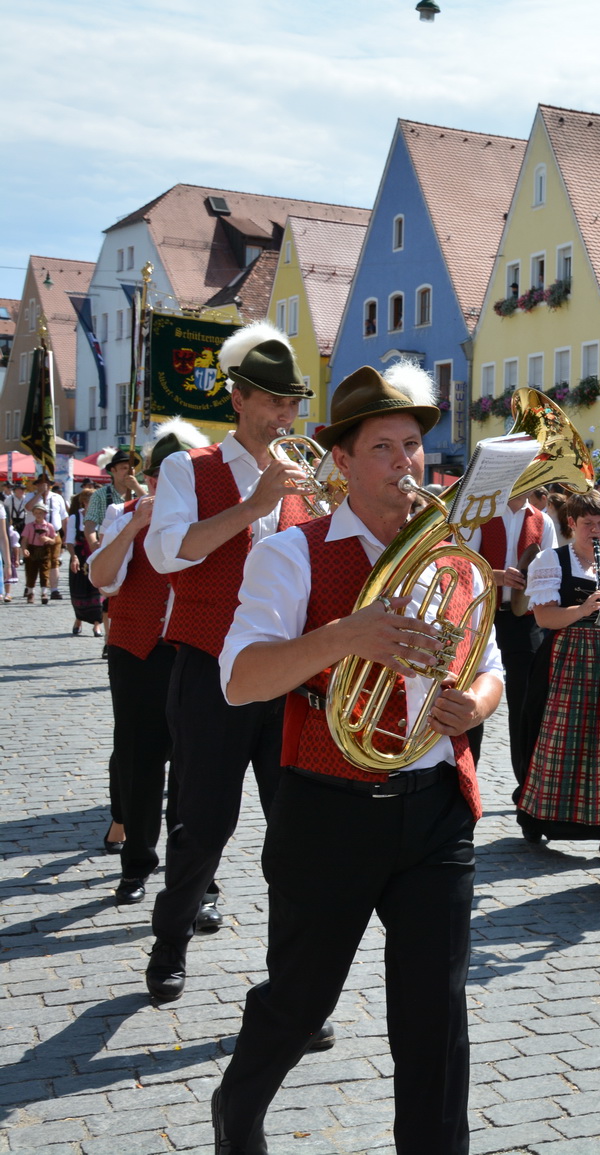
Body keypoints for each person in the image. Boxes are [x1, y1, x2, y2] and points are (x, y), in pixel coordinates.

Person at [212, 364, 503, 1154]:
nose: (407, 462)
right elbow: (239, 680)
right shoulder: (293, 554)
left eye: (413, 444)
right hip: (328, 807)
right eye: (383, 447)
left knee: (435, 1013)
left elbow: (490, 663)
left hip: (437, 806)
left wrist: (472, 705)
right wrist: (344, 634)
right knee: (302, 1001)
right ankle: (238, 1106)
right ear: (342, 461)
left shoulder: (449, 556)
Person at [139, 320, 316, 1002]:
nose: (286, 415)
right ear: (238, 399)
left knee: (296, 835)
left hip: (286, 677)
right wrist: (254, 505)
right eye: (274, 401)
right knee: (202, 824)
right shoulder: (190, 468)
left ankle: (293, 984)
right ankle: (170, 941)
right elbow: (166, 553)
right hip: (209, 673)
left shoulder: (302, 482)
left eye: (293, 402)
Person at [89, 423, 203, 905]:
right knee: (139, 763)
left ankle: (196, 877)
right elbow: (102, 579)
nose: (162, 487)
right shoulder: (123, 513)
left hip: (194, 654)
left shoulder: (213, 521)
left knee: (195, 771)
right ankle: (136, 864)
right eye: (158, 478)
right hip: (136, 654)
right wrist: (135, 526)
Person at [518, 488, 600, 849]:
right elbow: (545, 617)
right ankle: (539, 816)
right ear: (572, 524)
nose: (595, 531)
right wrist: (582, 609)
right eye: (587, 524)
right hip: (568, 655)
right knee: (558, 738)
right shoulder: (552, 560)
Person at [460, 455, 557, 814]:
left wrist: (539, 579)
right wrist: (497, 576)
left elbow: (548, 565)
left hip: (523, 620)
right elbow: (459, 561)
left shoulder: (543, 519)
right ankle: (464, 782)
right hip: (481, 616)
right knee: (471, 700)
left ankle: (527, 792)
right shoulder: (481, 512)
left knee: (527, 704)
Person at [87, 446, 145, 549]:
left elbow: (155, 509)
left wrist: (136, 488)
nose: (129, 472)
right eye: (124, 468)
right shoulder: (100, 495)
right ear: (113, 470)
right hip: (111, 548)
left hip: (139, 548)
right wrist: (94, 544)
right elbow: (90, 523)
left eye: (131, 468)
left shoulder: (142, 491)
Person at [66, 490, 105, 636]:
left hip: (96, 557)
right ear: (84, 502)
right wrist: (73, 557)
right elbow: (69, 541)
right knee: (78, 590)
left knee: (96, 589)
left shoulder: (102, 517)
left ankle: (97, 624)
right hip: (80, 557)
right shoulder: (75, 518)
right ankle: (78, 619)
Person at [25, 474, 68, 599]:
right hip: (34, 534)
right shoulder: (30, 496)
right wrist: (39, 494)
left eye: (48, 484)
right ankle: (30, 587)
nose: (45, 486)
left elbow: (64, 517)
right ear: (37, 485)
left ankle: (54, 589)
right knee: (33, 562)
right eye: (42, 484)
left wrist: (66, 535)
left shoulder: (57, 497)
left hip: (53, 533)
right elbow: (28, 508)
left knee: (54, 561)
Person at [20, 502, 59, 604]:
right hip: (32, 550)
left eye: (40, 513)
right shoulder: (29, 526)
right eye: (36, 513)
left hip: (44, 550)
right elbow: (24, 540)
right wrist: (24, 549)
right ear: (33, 514)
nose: (38, 515)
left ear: (45, 514)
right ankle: (30, 592)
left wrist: (48, 539)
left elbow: (54, 540)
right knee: (31, 572)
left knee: (44, 572)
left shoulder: (49, 526)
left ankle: (44, 592)